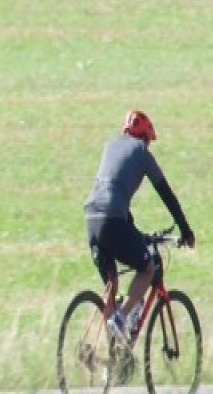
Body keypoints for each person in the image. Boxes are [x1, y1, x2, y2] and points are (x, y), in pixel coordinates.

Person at [83, 110, 195, 344]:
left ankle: (107, 358)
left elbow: (113, 193)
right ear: (145, 137)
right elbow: (167, 195)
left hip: (91, 220)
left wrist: (135, 233)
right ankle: (122, 318)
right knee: (147, 268)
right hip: (112, 221)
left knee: (111, 285)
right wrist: (185, 230)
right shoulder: (142, 153)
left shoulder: (110, 146)